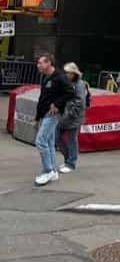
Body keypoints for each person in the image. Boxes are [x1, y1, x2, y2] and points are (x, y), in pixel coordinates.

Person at [33, 54, 74, 186]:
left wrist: (57, 104)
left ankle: (48, 170)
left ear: (49, 63)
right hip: (44, 114)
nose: (38, 65)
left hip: (52, 115)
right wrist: (37, 118)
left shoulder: (60, 77)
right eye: (38, 63)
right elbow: (42, 99)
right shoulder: (46, 78)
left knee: (41, 141)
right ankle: (53, 171)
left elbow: (70, 92)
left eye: (40, 63)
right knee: (49, 142)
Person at [57, 62, 88, 173]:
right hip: (66, 115)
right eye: (66, 72)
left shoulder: (79, 84)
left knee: (72, 140)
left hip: (73, 116)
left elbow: (80, 102)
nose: (66, 75)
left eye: (69, 73)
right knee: (57, 136)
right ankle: (68, 160)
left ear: (74, 73)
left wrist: (71, 113)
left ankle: (71, 163)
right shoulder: (67, 83)